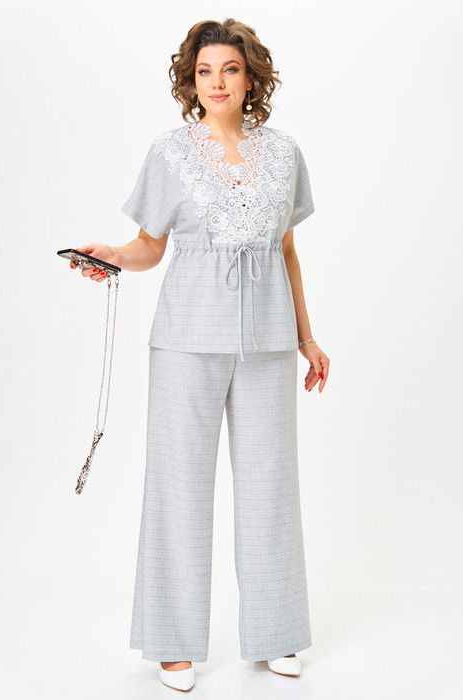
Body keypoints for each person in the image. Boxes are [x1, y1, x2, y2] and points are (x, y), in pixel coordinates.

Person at [71, 17, 330, 692]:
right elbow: (149, 246)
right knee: (178, 489)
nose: (216, 82)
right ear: (191, 80)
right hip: (187, 338)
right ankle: (172, 643)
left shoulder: (284, 153)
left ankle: (276, 632)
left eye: (229, 69)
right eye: (204, 71)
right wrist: (112, 256)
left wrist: (306, 337)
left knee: (270, 488)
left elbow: (286, 250)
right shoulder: (169, 152)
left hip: (268, 340)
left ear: (251, 78)